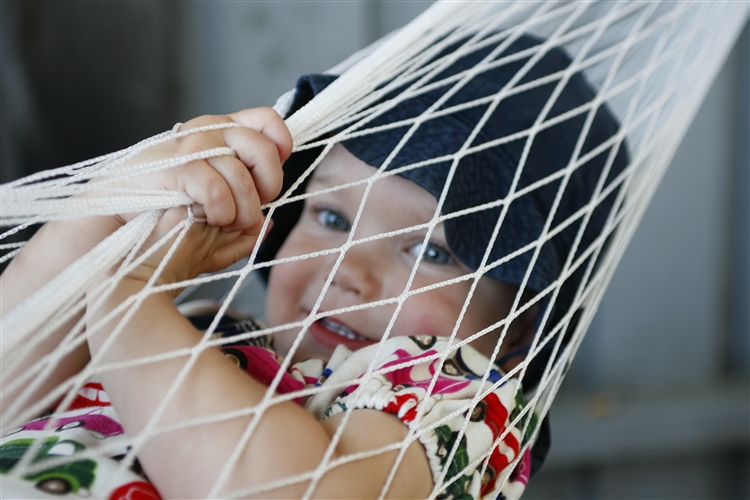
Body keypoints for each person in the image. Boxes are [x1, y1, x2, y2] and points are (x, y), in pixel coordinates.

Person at [0, 35, 626, 499]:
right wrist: (118, 207)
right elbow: (11, 367)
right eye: (330, 217)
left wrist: (128, 299)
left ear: (520, 326)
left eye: (431, 251)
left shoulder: (457, 406)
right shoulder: (200, 329)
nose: (347, 270)